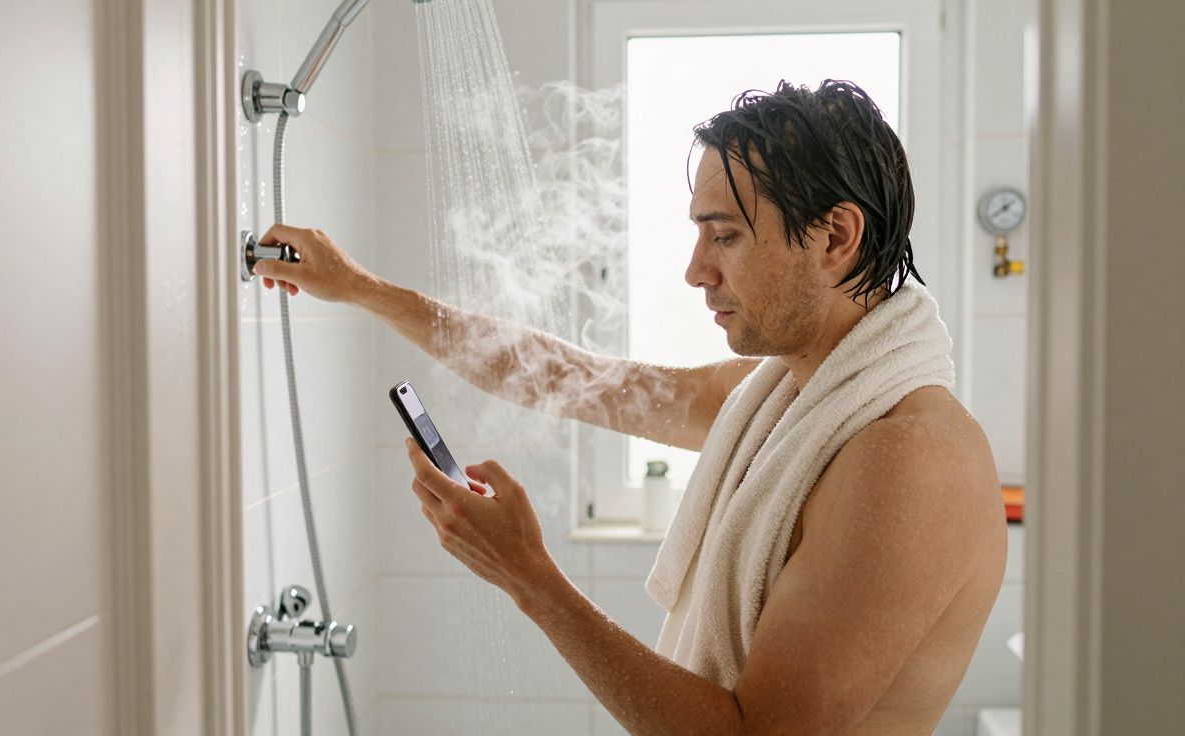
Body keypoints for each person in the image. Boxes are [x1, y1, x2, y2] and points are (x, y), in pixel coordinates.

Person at [252, 80, 1006, 735]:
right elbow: (564, 375)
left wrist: (529, 576)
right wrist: (359, 287)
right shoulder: (783, 397)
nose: (695, 270)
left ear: (836, 236)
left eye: (727, 236)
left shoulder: (907, 457)